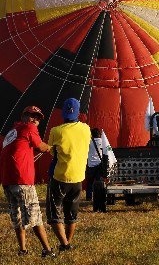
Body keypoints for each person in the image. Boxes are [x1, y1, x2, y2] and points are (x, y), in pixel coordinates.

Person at [0, 106, 55, 258]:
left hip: (8, 181)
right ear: (24, 116)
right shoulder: (29, 128)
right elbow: (40, 146)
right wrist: (52, 148)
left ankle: (22, 250)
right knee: (35, 216)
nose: (35, 119)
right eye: (32, 115)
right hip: (22, 180)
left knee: (16, 216)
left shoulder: (12, 131)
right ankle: (47, 250)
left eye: (37, 117)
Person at [46, 98, 91, 251]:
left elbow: (52, 152)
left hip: (59, 177)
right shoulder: (86, 129)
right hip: (78, 177)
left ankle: (64, 244)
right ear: (79, 113)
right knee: (72, 214)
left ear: (63, 113)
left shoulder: (56, 131)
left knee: (54, 213)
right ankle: (67, 243)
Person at [85, 128, 102, 201]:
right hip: (100, 164)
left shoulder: (88, 142)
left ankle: (89, 197)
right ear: (99, 134)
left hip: (90, 164)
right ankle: (98, 196)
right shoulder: (103, 142)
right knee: (99, 182)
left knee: (90, 182)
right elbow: (108, 151)